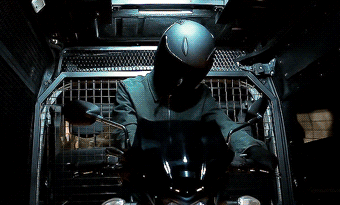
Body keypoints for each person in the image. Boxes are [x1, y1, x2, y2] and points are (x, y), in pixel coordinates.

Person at [111, 20, 276, 170]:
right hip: (146, 174)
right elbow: (126, 134)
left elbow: (224, 126)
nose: (179, 78)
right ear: (162, 58)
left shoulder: (201, 96)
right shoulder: (131, 90)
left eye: (189, 72)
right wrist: (140, 151)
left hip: (193, 177)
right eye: (174, 67)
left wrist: (251, 147)